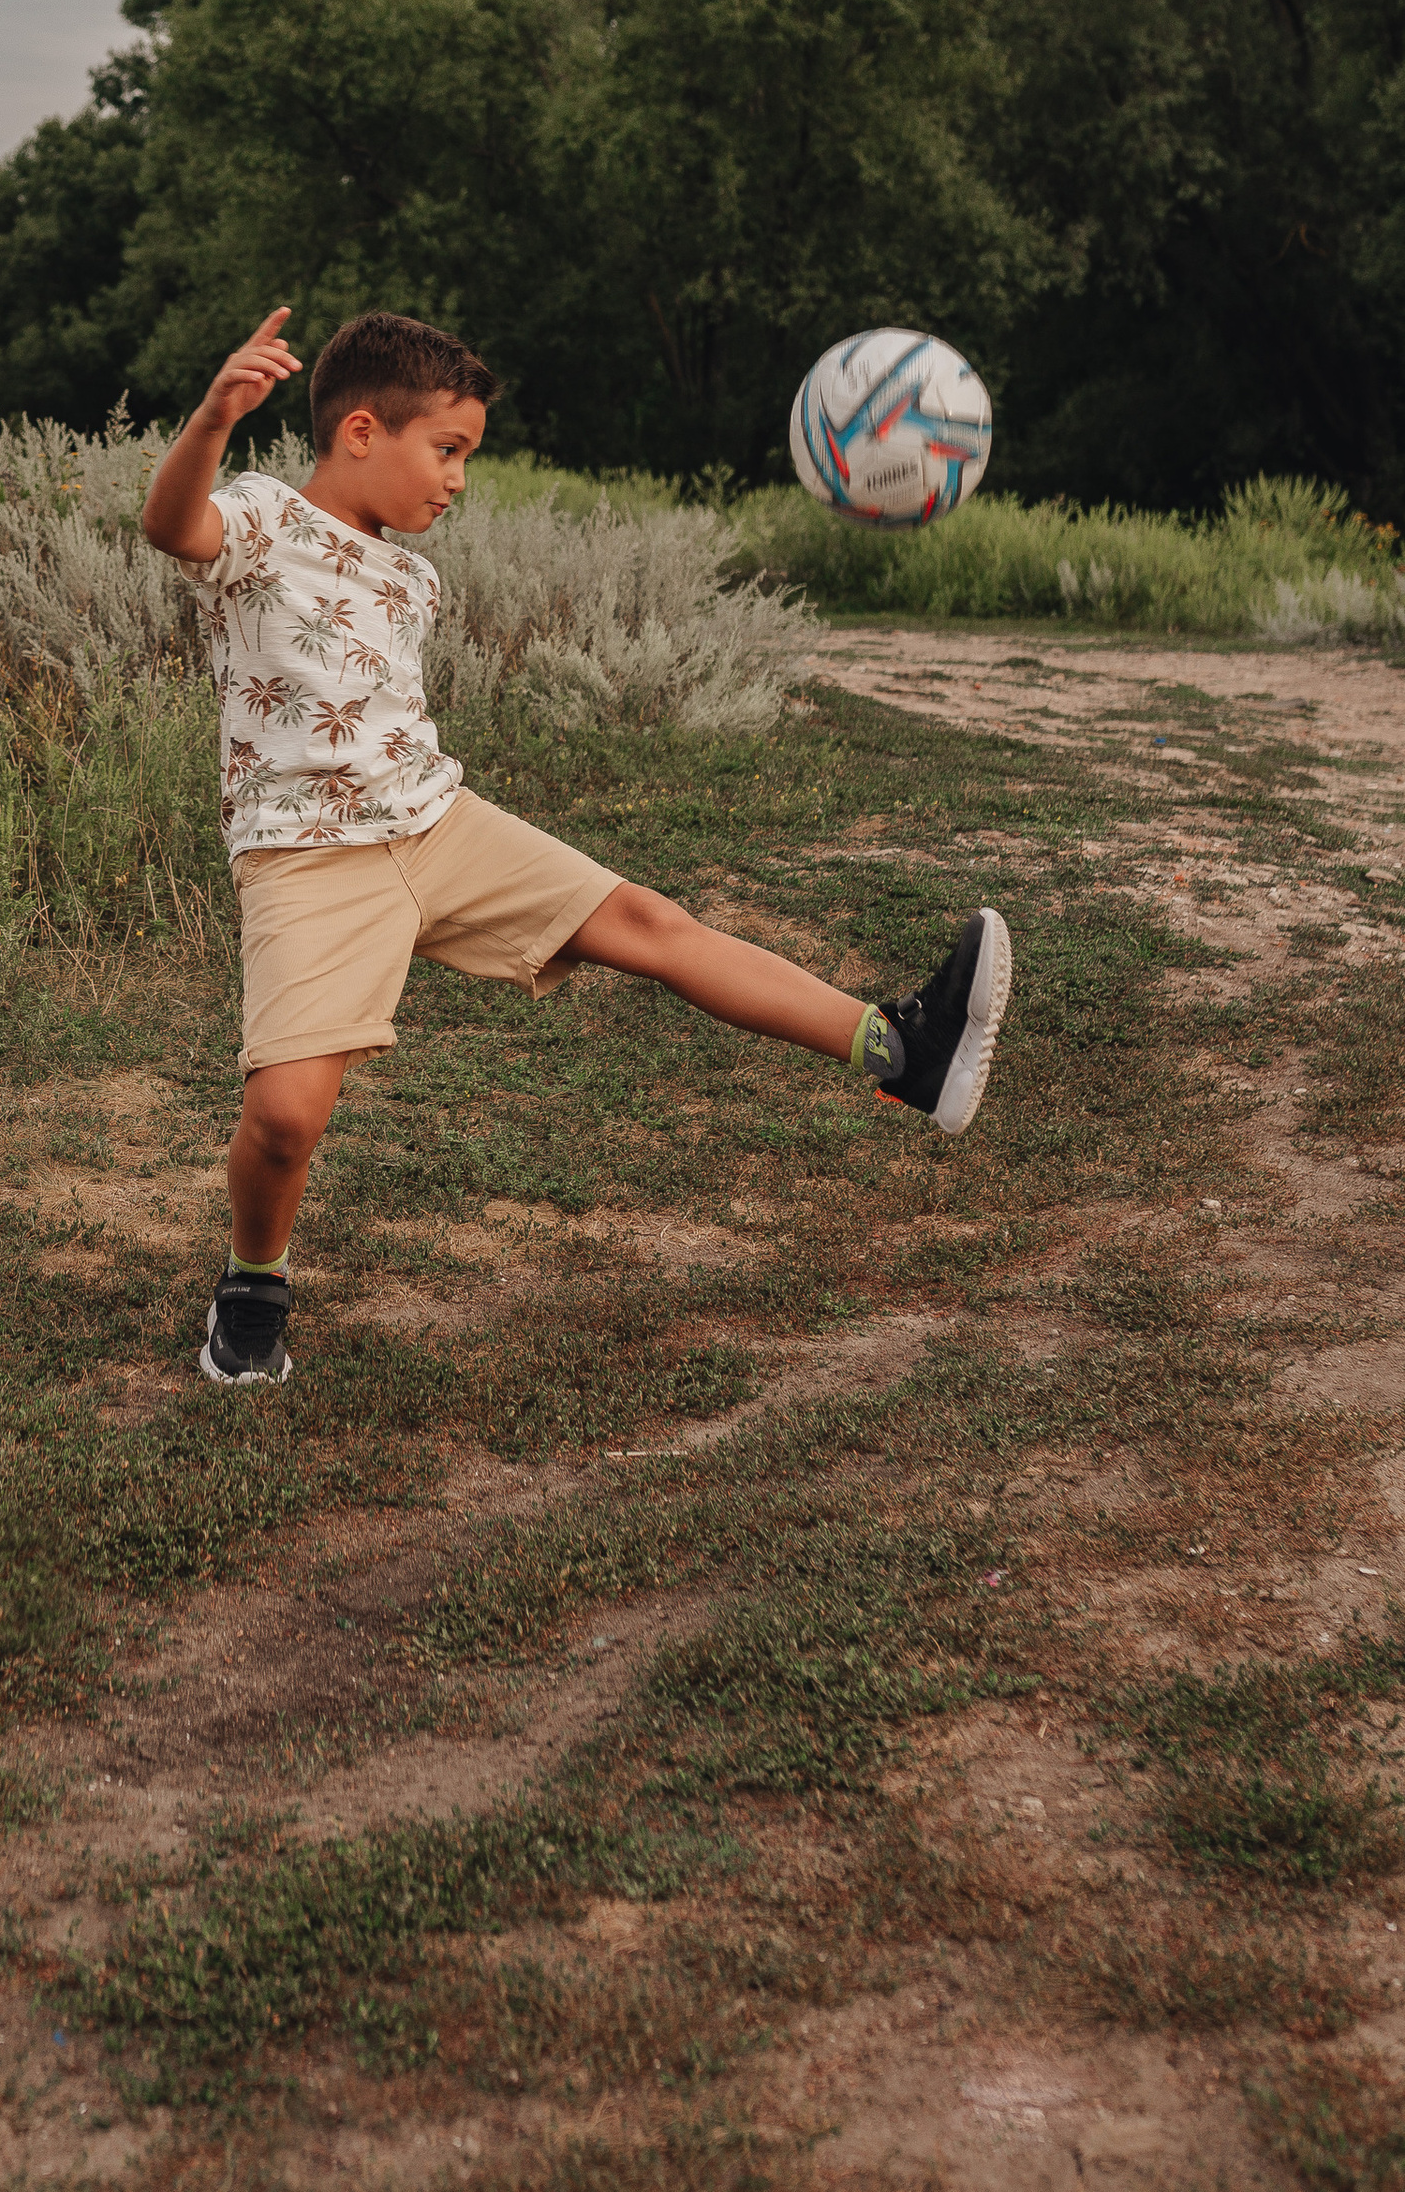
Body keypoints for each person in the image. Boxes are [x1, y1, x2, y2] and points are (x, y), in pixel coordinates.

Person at [140, 304, 1011, 1387]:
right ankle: (252, 1280)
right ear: (360, 431)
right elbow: (175, 527)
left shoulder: (413, 575)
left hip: (438, 822)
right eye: (445, 451)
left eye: (467, 457)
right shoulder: (264, 517)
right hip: (309, 856)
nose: (456, 481)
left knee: (652, 925)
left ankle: (903, 1051)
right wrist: (214, 419)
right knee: (282, 1118)